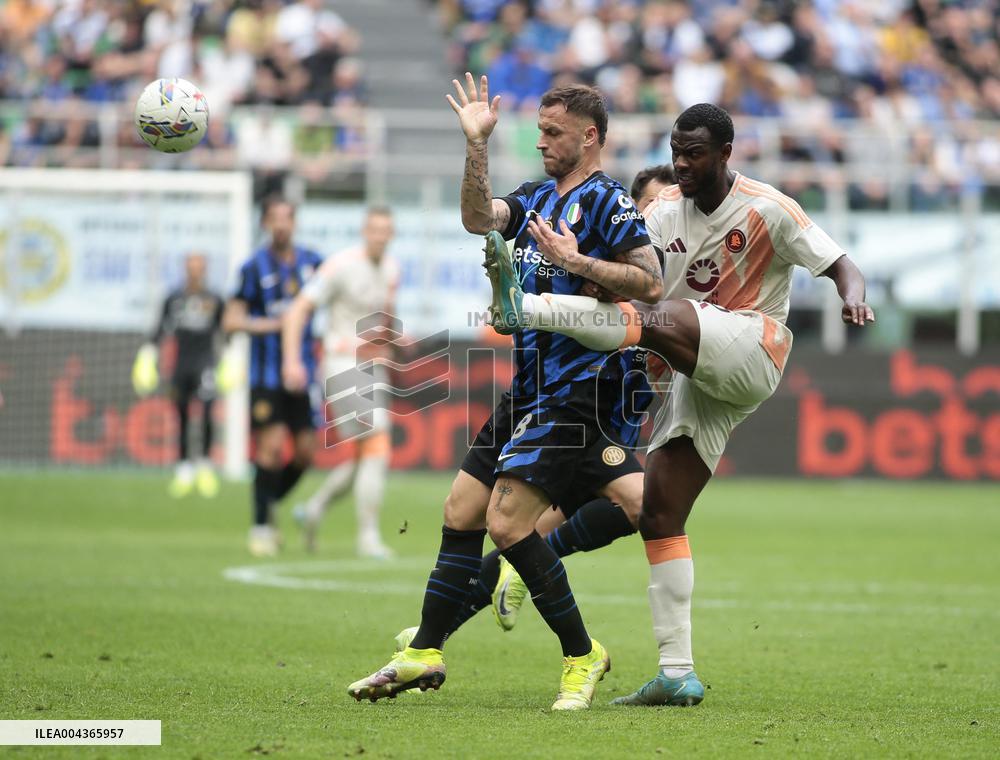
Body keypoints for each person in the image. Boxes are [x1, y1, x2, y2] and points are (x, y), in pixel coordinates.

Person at [487, 103, 875, 706]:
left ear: (724, 154)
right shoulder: (661, 210)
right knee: (661, 515)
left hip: (751, 346)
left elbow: (840, 264)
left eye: (694, 153)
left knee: (659, 316)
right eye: (675, 151)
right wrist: (586, 270)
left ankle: (526, 309)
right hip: (696, 377)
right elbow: (627, 272)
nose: (681, 164)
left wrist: (854, 298)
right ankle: (676, 672)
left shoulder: (768, 208)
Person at [347, 74, 662, 711]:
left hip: (582, 390)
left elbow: (650, 283)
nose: (542, 141)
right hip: (529, 387)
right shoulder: (535, 198)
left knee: (508, 522)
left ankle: (582, 657)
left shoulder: (608, 203)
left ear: (590, 136)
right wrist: (475, 147)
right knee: (461, 509)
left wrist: (579, 264)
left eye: (553, 132)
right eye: (539, 131)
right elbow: (476, 217)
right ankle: (424, 651)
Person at [281, 206, 399, 559]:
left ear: (391, 235)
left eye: (385, 230)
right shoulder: (340, 265)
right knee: (377, 442)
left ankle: (314, 509)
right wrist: (291, 360)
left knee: (366, 453)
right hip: (341, 362)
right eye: (374, 229)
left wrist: (389, 343)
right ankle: (368, 537)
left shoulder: (392, 269)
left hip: (371, 366)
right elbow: (298, 309)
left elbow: (385, 320)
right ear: (365, 231)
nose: (379, 236)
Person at [223, 196, 323, 558]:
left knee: (306, 453)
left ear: (294, 223)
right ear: (265, 223)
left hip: (304, 373)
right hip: (265, 374)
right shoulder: (253, 267)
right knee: (270, 446)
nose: (281, 225)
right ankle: (261, 526)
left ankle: (269, 503)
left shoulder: (314, 263)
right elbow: (231, 320)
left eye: (287, 218)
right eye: (274, 218)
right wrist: (274, 324)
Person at [132, 252, 225, 498]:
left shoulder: (214, 299)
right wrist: (148, 356)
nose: (195, 272)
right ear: (185, 270)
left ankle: (205, 465)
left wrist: (230, 358)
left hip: (205, 363)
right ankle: (184, 467)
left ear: (205, 270)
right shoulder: (174, 299)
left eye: (199, 267)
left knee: (206, 411)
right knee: (181, 414)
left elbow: (224, 331)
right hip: (180, 365)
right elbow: (159, 330)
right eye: (191, 267)